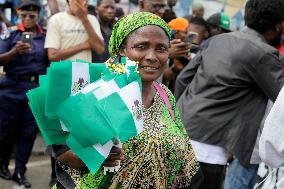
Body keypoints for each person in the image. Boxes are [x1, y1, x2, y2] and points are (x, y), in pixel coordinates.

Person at [52, 12, 202, 189]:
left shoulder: (165, 95)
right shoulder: (97, 91)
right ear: (122, 49)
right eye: (141, 46)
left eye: (161, 48)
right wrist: (92, 156)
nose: (152, 56)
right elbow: (61, 151)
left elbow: (184, 157)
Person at [175, 0, 284, 188]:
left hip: (181, 137)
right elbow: (281, 99)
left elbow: (182, 79)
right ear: (278, 26)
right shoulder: (264, 54)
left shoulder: (217, 40)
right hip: (211, 150)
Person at [0, 1, 50, 188]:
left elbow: (51, 58)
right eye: (24, 16)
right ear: (19, 15)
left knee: (28, 134)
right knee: (6, 132)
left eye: (32, 16)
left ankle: (20, 171)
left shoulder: (45, 36)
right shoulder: (11, 33)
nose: (28, 19)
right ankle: (3, 164)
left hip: (34, 89)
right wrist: (14, 51)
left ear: (38, 16)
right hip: (11, 88)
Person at [164, 17, 189, 92]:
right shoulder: (164, 47)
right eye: (185, 32)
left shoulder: (179, 51)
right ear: (176, 32)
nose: (187, 35)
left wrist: (175, 69)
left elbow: (164, 77)